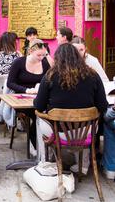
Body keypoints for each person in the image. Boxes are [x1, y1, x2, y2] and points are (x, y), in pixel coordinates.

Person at [34, 43, 108, 174]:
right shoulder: (93, 75)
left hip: (58, 131)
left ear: (57, 58)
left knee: (39, 119)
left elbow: (39, 106)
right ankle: (84, 166)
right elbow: (103, 105)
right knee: (87, 122)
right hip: (87, 131)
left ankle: (46, 161)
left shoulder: (50, 76)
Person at [7, 39, 51, 149]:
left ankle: (41, 144)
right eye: (39, 55)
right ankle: (36, 144)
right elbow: (10, 83)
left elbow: (50, 81)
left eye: (44, 55)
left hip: (39, 98)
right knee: (38, 114)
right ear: (31, 51)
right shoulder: (19, 63)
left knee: (44, 114)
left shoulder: (45, 64)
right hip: (21, 98)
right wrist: (26, 90)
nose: (41, 58)